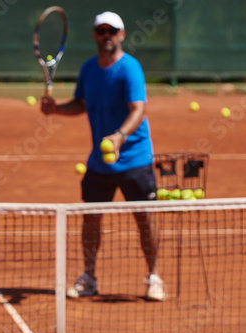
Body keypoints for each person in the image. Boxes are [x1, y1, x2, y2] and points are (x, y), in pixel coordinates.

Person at [42, 10, 165, 301]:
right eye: (101, 31)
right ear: (95, 36)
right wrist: (56, 108)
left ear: (121, 35)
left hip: (135, 158)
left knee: (144, 219)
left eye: (112, 31)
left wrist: (120, 137)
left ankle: (154, 277)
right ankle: (90, 277)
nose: (106, 36)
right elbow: (81, 103)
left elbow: (138, 109)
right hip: (100, 161)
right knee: (91, 218)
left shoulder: (130, 69)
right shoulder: (89, 70)